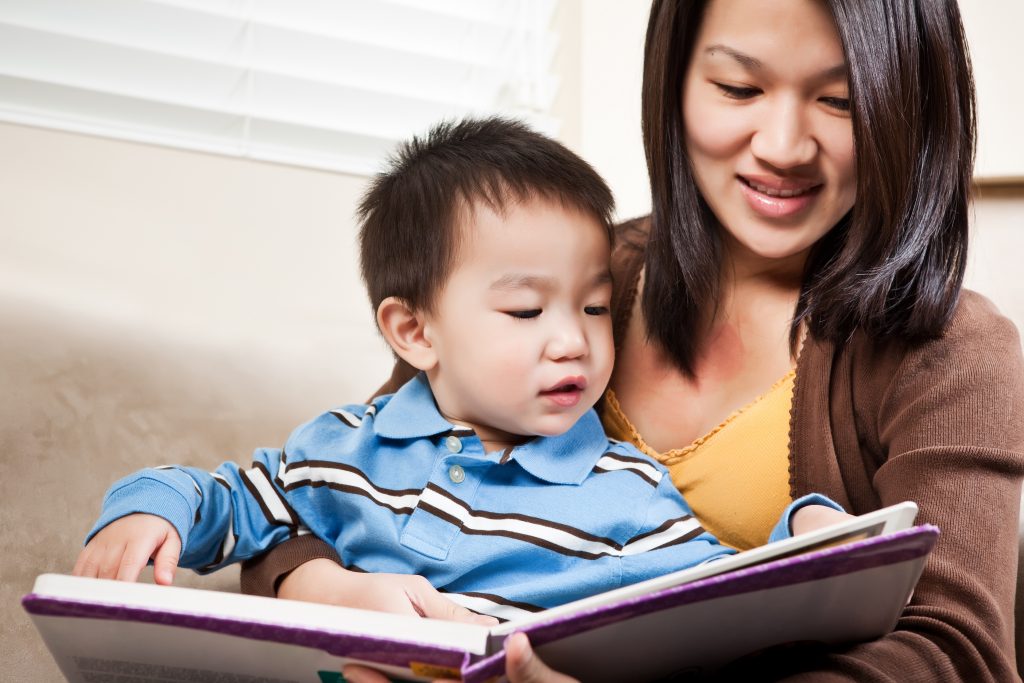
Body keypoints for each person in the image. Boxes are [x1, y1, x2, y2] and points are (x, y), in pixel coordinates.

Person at [242, 0, 1024, 681]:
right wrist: (327, 590)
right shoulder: (553, 280)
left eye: (842, 102)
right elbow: (323, 495)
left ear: (907, 111)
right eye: (738, 88)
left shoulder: (953, 355)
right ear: (674, 81)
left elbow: (954, 654)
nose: (783, 144)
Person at [73, 117, 846, 623]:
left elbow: (715, 595)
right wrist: (151, 509)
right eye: (524, 312)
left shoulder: (625, 490)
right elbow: (233, 500)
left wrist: (803, 530)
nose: (571, 342)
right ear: (414, 330)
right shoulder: (346, 446)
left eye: (594, 307)